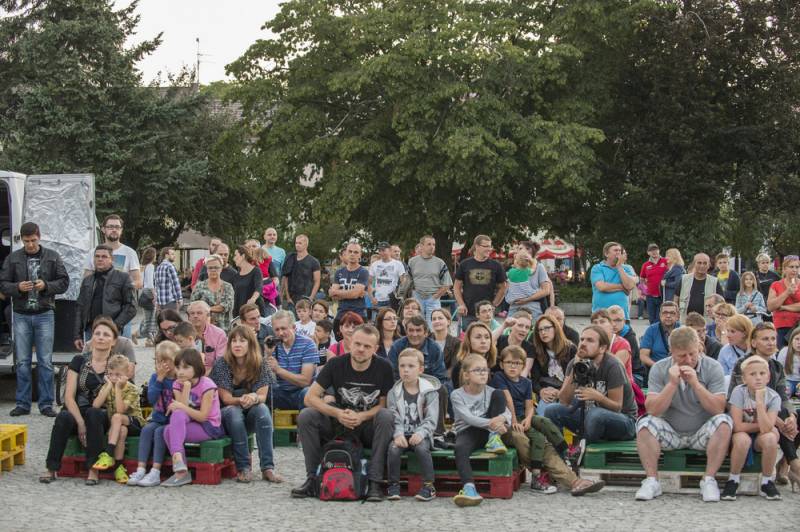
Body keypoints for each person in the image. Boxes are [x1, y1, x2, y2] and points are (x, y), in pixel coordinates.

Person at [291, 325, 394, 502]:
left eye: (367, 346)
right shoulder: (335, 364)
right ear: (350, 343)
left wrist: (361, 416)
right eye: (358, 344)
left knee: (386, 416)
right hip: (339, 422)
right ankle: (313, 479)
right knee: (306, 415)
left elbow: (383, 405)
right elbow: (310, 398)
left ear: (375, 349)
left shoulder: (384, 367)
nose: (361, 349)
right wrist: (337, 413)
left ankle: (375, 483)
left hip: (367, 425)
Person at [634, 327, 732, 502]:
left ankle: (709, 480)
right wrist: (672, 384)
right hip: (671, 432)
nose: (688, 360)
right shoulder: (659, 368)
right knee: (644, 424)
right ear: (671, 351)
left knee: (724, 423)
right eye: (682, 356)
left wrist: (696, 384)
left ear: (699, 346)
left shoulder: (712, 366)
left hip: (702, 433)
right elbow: (652, 410)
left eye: (692, 354)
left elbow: (718, 408)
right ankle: (652, 480)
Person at [492, 345, 604, 496]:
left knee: (542, 440)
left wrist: (528, 419)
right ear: (501, 364)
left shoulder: (525, 382)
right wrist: (513, 420)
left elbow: (529, 406)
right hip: (504, 422)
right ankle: (539, 476)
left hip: (522, 419)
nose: (513, 366)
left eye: (517, 363)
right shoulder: (499, 377)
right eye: (509, 362)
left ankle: (574, 479)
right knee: (521, 438)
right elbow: (508, 399)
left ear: (523, 366)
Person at [0, 221, 69, 417]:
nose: (30, 244)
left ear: (39, 237)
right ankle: (23, 404)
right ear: (22, 239)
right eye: (26, 241)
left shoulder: (53, 256)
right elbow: (3, 284)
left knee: (45, 361)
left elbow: (64, 282)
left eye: (33, 240)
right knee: (22, 361)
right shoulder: (13, 258)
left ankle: (46, 404)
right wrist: (17, 287)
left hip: (44, 313)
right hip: (21, 314)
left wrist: (46, 285)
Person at [40, 319, 121, 483]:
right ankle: (51, 467)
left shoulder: (118, 364)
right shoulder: (79, 360)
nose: (100, 337)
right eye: (97, 333)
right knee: (63, 417)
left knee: (94, 413)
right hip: (78, 410)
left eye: (106, 335)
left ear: (113, 341)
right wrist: (80, 423)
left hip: (102, 414)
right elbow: (69, 397)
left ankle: (93, 469)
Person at [727, 322, 800, 485]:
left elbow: (783, 397)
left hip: (771, 412)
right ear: (753, 343)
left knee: (794, 414)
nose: (771, 343)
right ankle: (795, 465)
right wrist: (779, 422)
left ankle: (785, 464)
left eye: (773, 339)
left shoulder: (777, 366)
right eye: (765, 339)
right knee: (781, 414)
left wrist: (792, 417)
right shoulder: (744, 364)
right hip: (746, 413)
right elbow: (748, 398)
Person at [210, 325, 282, 483]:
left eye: (242, 341)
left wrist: (253, 397)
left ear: (250, 343)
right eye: (234, 341)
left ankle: (268, 467)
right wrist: (243, 399)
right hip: (225, 416)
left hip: (250, 412)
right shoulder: (222, 364)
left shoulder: (260, 364)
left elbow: (262, 396)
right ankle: (243, 468)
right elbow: (226, 399)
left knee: (262, 409)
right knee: (233, 411)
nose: (237, 344)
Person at [545, 325, 638, 443]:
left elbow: (617, 407)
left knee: (595, 414)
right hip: (590, 418)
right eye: (582, 339)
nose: (583, 343)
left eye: (590, 340)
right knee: (552, 410)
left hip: (623, 421)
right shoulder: (575, 363)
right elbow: (564, 401)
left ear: (602, 348)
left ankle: (582, 447)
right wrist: (574, 368)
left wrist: (598, 397)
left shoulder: (613, 365)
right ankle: (561, 451)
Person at [450, 354, 511, 507]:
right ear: (466, 375)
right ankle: (469, 488)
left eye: (485, 370)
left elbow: (508, 413)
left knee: (499, 394)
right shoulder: (457, 394)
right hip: (468, 431)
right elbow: (468, 418)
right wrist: (494, 423)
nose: (483, 373)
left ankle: (494, 439)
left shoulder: (491, 391)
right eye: (477, 370)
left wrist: (502, 419)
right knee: (460, 448)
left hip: (489, 432)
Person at [722, 356, 782, 501]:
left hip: (760, 435)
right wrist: (764, 425)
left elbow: (767, 430)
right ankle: (733, 479)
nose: (758, 378)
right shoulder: (738, 392)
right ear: (744, 378)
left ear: (768, 377)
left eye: (762, 373)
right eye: (752, 374)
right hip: (742, 433)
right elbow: (737, 426)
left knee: (771, 438)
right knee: (743, 440)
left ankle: (767, 481)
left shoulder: (773, 397)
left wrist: (760, 403)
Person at [162, 348, 224, 487]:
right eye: (178, 367)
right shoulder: (177, 384)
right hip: (191, 421)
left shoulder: (207, 385)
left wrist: (181, 406)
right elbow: (181, 412)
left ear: (196, 367)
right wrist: (186, 388)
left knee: (170, 429)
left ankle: (180, 469)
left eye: (185, 367)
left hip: (208, 426)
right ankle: (180, 465)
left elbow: (202, 417)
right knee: (168, 428)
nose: (180, 372)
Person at [386, 348, 439, 502]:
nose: (406, 370)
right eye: (402, 366)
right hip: (402, 434)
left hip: (421, 434)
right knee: (393, 449)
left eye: (411, 366)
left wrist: (421, 433)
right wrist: (398, 434)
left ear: (420, 369)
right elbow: (394, 416)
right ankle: (393, 485)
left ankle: (429, 486)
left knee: (422, 449)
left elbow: (431, 419)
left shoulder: (430, 392)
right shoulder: (393, 393)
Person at [126, 341, 179, 487]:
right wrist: (159, 380)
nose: (162, 365)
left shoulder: (179, 379)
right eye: (159, 361)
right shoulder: (155, 378)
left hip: (172, 421)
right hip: (158, 418)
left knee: (159, 432)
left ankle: (155, 471)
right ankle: (141, 469)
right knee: (146, 430)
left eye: (166, 361)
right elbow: (151, 399)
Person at [88, 354, 145, 484]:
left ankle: (109, 453)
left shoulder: (132, 389)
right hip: (118, 425)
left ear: (127, 374)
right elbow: (95, 405)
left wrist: (118, 389)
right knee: (122, 431)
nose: (114, 378)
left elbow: (120, 410)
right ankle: (118, 467)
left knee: (117, 417)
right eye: (111, 374)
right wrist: (108, 386)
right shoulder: (108, 386)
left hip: (135, 423)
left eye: (118, 375)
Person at [73, 244, 136, 352]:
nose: (100, 259)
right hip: (91, 331)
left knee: (115, 360)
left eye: (104, 256)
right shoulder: (87, 280)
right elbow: (80, 308)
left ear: (112, 259)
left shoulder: (123, 278)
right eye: (97, 256)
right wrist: (77, 335)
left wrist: (114, 326)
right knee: (92, 360)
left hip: (114, 330)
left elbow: (131, 306)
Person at [266, 310, 318, 409]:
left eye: (283, 328)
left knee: (307, 392)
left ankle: (304, 418)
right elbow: (267, 379)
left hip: (301, 392)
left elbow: (305, 381)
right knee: (265, 391)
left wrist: (278, 370)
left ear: (294, 327)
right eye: (277, 330)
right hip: (282, 393)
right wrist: (268, 355)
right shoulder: (273, 345)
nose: (280, 333)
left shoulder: (307, 344)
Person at [453, 235, 507, 331]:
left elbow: (504, 287)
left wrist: (494, 305)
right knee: (470, 338)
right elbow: (456, 287)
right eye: (486, 246)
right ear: (477, 246)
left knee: (487, 337)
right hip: (468, 312)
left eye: (490, 246)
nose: (489, 249)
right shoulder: (465, 264)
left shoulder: (496, 266)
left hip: (487, 313)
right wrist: (461, 304)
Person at [530, 314, 577, 416]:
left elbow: (576, 378)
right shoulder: (537, 351)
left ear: (555, 328)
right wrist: (541, 391)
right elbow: (534, 379)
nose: (543, 332)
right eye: (540, 330)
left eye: (547, 328)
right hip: (547, 392)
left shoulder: (571, 349)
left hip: (568, 392)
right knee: (543, 414)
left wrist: (561, 392)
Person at [83, 215, 142, 292]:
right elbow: (86, 281)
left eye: (117, 227)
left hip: (121, 299)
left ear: (121, 230)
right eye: (110, 227)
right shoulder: (93, 253)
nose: (114, 230)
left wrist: (122, 289)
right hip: (98, 298)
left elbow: (138, 282)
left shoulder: (130, 253)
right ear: (103, 229)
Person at [407, 235, 453, 325]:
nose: (432, 247)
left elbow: (448, 283)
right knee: (417, 325)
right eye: (429, 244)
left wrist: (436, 296)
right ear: (421, 246)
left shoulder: (440, 262)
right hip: (416, 297)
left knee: (433, 326)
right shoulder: (412, 261)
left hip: (433, 298)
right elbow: (407, 281)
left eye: (434, 244)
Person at [590, 242, 636, 320]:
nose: (618, 253)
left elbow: (630, 286)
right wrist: (622, 287)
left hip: (621, 317)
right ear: (606, 254)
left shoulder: (627, 268)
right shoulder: (597, 268)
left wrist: (619, 266)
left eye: (620, 251)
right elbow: (602, 287)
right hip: (601, 317)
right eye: (615, 250)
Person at [190, 254, 235, 332]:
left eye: (216, 267)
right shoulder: (199, 286)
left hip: (224, 330)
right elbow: (193, 306)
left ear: (221, 269)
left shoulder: (228, 287)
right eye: (210, 268)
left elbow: (226, 306)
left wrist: (205, 309)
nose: (213, 270)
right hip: (203, 331)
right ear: (206, 269)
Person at [674, 253, 723, 322]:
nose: (702, 266)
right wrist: (676, 313)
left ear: (709, 265)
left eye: (705, 263)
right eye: (699, 263)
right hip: (685, 321)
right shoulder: (684, 279)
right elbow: (676, 298)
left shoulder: (714, 281)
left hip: (707, 322)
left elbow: (721, 303)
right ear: (694, 264)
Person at [330, 241, 369, 325]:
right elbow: (332, 295)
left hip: (358, 314)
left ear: (360, 255)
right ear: (346, 253)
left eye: (356, 252)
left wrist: (338, 292)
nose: (352, 254)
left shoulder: (363, 272)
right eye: (350, 251)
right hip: (341, 314)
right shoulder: (339, 272)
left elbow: (354, 294)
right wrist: (353, 293)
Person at [504, 250, 551, 320]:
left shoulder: (511, 271)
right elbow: (533, 269)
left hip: (514, 299)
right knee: (537, 291)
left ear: (516, 262)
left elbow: (506, 282)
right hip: (527, 295)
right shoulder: (526, 271)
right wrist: (531, 261)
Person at [450, 322, 498, 389]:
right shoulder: (460, 367)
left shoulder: (496, 364)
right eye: (478, 337)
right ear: (469, 341)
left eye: (487, 337)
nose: (483, 341)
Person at [767, 255, 800, 348]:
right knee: (782, 352)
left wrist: (783, 307)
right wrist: (787, 292)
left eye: (797, 267)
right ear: (784, 269)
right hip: (781, 326)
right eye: (791, 267)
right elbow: (770, 307)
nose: (794, 270)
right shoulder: (776, 285)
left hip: (798, 326)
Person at [280, 234, 321, 310]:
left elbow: (317, 281)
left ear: (306, 245)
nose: (297, 245)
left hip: (306, 299)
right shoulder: (290, 258)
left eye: (300, 243)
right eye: (296, 243)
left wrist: (311, 298)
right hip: (292, 299)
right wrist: (288, 297)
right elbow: (286, 278)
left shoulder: (314, 262)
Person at [187, 300, 227, 374]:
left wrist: (204, 377)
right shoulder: (182, 333)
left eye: (199, 313)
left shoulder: (219, 334)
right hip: (187, 374)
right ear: (189, 317)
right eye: (192, 313)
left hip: (212, 374)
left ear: (207, 315)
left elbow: (220, 363)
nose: (195, 316)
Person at [609, 305, 645, 387]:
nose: (614, 324)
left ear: (624, 321)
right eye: (610, 320)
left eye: (618, 320)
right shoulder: (607, 334)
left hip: (635, 375)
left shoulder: (629, 338)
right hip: (618, 373)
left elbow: (617, 367)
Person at [639, 301, 680, 369]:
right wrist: (658, 368)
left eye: (672, 313)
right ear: (660, 315)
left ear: (677, 316)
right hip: (656, 367)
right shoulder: (651, 330)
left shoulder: (683, 330)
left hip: (679, 368)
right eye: (665, 313)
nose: (668, 316)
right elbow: (643, 356)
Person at [369, 241, 407, 311]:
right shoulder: (375, 264)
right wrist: (371, 298)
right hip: (377, 300)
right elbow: (369, 283)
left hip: (392, 300)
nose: (381, 253)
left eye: (383, 250)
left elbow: (404, 282)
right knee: (377, 318)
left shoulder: (398, 264)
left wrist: (399, 295)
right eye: (380, 251)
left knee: (391, 318)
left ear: (389, 251)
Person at [231, 246, 264, 319]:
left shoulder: (256, 271)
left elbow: (259, 287)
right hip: (240, 313)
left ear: (243, 256)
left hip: (254, 312)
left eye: (235, 255)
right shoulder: (236, 276)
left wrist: (253, 299)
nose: (233, 258)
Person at [639, 244, 669, 323]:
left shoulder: (666, 261)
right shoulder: (645, 265)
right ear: (648, 253)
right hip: (650, 296)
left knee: (660, 319)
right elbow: (641, 279)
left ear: (659, 251)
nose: (654, 252)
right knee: (652, 319)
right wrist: (644, 291)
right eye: (651, 250)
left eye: (655, 249)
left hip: (662, 295)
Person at [135, 246, 158, 345]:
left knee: (148, 318)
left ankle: (148, 339)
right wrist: (155, 295)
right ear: (152, 256)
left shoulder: (141, 266)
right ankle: (140, 335)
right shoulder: (150, 266)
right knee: (152, 318)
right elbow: (150, 283)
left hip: (142, 292)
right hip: (149, 293)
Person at [429, 308, 461, 380]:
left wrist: (441, 379)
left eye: (440, 318)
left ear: (448, 322)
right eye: (434, 319)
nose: (437, 321)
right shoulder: (426, 340)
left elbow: (454, 366)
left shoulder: (457, 343)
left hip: (446, 379)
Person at [154, 247, 182, 311]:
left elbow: (156, 286)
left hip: (161, 302)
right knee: (173, 317)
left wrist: (157, 301)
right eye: (172, 254)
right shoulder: (170, 266)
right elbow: (176, 284)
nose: (174, 256)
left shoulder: (158, 267)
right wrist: (179, 298)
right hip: (170, 301)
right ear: (166, 255)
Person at [776, 327, 800, 398]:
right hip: (788, 380)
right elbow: (779, 371)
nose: (799, 342)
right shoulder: (784, 351)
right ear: (791, 340)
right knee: (786, 392)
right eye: (797, 339)